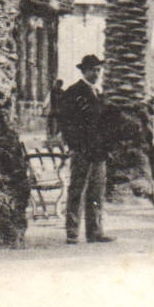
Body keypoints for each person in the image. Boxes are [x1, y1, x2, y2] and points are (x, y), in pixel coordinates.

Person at [61, 54, 115, 244]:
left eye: (99, 70)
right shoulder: (74, 92)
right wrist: (75, 146)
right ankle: (72, 232)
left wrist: (107, 146)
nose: (97, 74)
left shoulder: (99, 93)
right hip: (82, 151)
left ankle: (95, 231)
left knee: (96, 192)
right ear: (84, 71)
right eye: (93, 70)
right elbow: (66, 122)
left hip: (99, 151)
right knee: (77, 191)